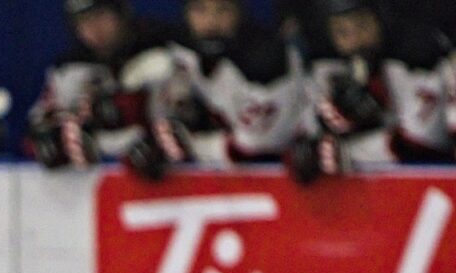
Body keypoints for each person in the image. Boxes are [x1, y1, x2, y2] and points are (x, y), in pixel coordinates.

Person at [124, 0, 315, 181]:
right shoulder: (173, 50)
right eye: (200, 9)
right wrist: (149, 146)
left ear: (240, 12)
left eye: (223, 9)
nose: (211, 22)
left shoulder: (267, 62)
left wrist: (192, 146)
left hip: (279, 188)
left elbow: (259, 148)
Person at [304, 0, 455, 172]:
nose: (355, 39)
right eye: (342, 32)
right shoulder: (330, 68)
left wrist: (345, 153)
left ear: (380, 19)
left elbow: (420, 147)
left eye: (362, 25)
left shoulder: (414, 57)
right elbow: (313, 143)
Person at [26, 0, 177, 168]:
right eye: (84, 20)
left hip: (170, 177)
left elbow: (184, 119)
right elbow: (38, 128)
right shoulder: (69, 68)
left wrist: (153, 137)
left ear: (120, 13)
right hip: (93, 178)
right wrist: (53, 141)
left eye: (101, 16)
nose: (94, 29)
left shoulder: (160, 52)